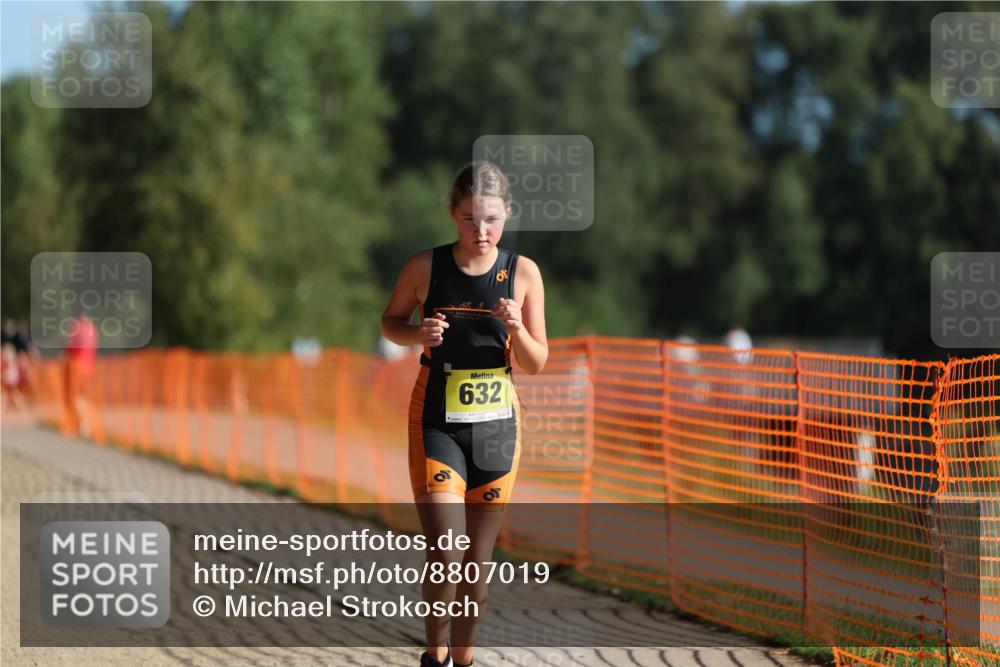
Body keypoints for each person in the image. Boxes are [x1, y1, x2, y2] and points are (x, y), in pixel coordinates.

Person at [380, 161, 548, 667]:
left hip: (497, 430)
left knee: (476, 565)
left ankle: (465, 659)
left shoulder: (523, 273)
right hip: (437, 422)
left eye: (492, 219)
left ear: (507, 216)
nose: (482, 230)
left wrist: (517, 329)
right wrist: (416, 335)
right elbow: (390, 321)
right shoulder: (425, 267)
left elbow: (537, 362)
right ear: (454, 215)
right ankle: (434, 656)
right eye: (471, 218)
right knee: (445, 553)